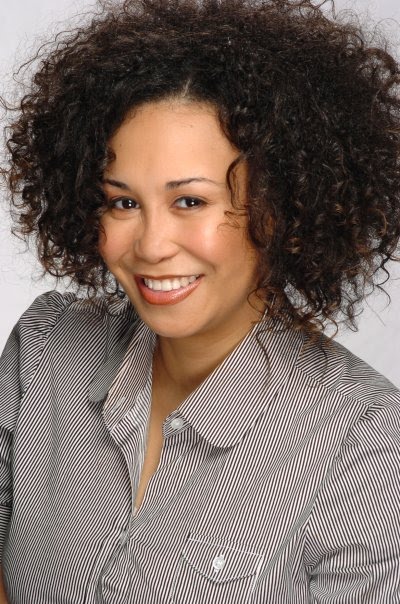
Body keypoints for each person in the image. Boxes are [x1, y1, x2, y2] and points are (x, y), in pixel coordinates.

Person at [1, 0, 400, 601]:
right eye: (123, 202)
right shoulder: (45, 353)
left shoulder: (368, 449)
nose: (151, 246)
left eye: (190, 201)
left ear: (281, 207)